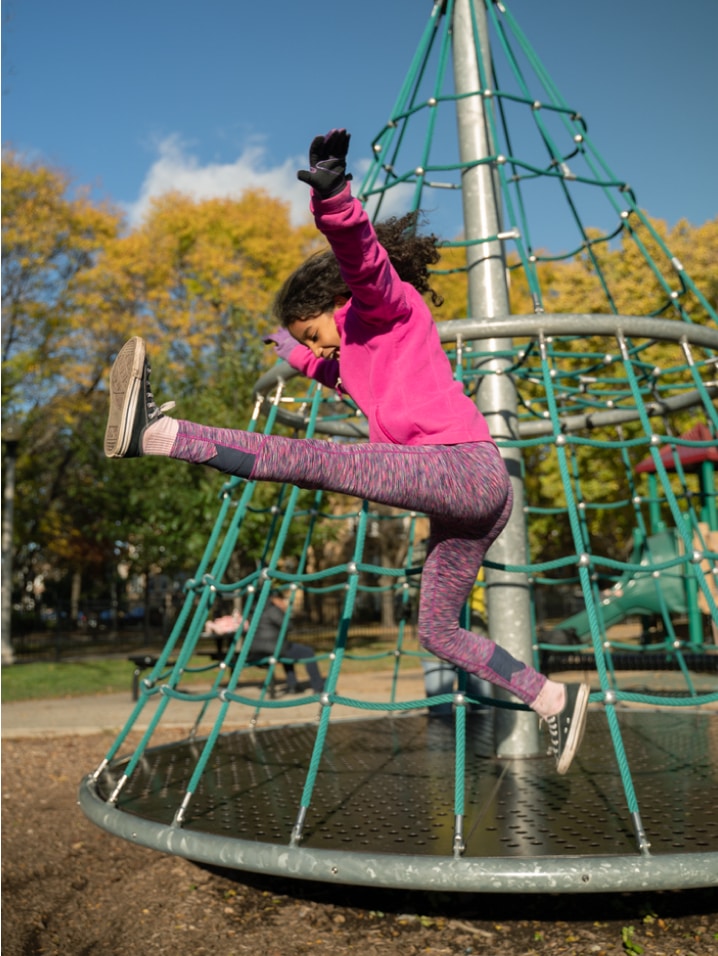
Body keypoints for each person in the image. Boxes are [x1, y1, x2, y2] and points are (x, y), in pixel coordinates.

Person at [104, 128, 589, 774]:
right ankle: (554, 697)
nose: (324, 348)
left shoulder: (386, 307)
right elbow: (343, 374)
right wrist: (297, 352)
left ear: (334, 302)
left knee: (314, 460)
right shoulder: (355, 354)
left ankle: (157, 432)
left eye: (316, 332)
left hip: (460, 468)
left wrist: (334, 199)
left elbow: (364, 260)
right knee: (438, 630)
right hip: (471, 498)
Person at [251, 591, 325, 694]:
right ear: (274, 599)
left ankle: (292, 685)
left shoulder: (254, 610)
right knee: (308, 652)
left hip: (255, 649)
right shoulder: (272, 609)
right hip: (273, 647)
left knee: (288, 652)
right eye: (280, 599)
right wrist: (283, 610)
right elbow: (288, 626)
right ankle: (318, 686)